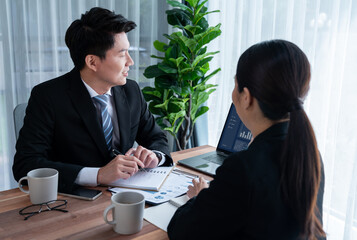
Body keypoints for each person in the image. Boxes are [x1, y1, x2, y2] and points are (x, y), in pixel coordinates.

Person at [167, 40, 326, 240]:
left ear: (246, 97)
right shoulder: (310, 154)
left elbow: (180, 232)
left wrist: (201, 198)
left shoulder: (243, 167)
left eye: (235, 85)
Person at [13, 7, 173, 193]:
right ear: (92, 62)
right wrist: (97, 175)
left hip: (126, 195)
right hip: (74, 203)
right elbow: (26, 164)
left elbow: (156, 137)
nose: (130, 61)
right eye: (122, 54)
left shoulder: (131, 90)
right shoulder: (48, 97)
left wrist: (155, 156)